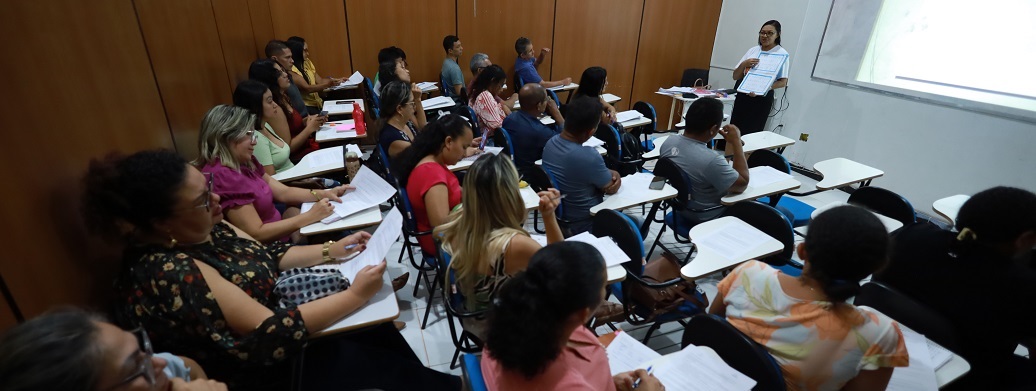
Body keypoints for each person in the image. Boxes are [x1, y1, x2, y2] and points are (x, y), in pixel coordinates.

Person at [81, 149, 459, 391]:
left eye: (209, 186)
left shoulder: (204, 229)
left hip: (284, 327)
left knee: (379, 332)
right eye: (201, 199)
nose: (216, 199)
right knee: (368, 363)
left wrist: (331, 250)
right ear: (162, 222)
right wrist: (354, 295)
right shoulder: (168, 272)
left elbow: (268, 257)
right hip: (264, 370)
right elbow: (269, 330)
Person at [710, 205, 909, 391]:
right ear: (876, 268)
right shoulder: (878, 334)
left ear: (802, 250)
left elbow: (714, 324)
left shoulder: (747, 274)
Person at [874, 187, 1036, 390]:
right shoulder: (1023, 288)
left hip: (882, 348)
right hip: (964, 377)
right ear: (1025, 239)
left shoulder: (909, 236)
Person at [481, 242, 664, 391]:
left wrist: (607, 383)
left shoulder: (506, 330)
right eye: (603, 286)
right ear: (583, 313)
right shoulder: (566, 383)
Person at [435, 154, 563, 326]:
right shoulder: (512, 245)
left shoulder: (460, 214)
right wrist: (549, 217)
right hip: (501, 327)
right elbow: (563, 269)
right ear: (509, 194)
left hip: (475, 313)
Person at [195, 105, 349, 243]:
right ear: (226, 137)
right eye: (248, 135)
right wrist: (309, 217)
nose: (254, 141)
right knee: (343, 237)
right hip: (272, 249)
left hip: (283, 233)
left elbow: (284, 192)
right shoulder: (223, 176)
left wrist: (325, 193)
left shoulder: (244, 161)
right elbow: (256, 233)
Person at [0, 309, 226, 391]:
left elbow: (187, 366)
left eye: (142, 352)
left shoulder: (152, 371)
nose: (160, 363)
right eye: (136, 365)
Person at [658, 97, 748, 221]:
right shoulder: (712, 160)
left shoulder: (669, 141)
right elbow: (742, 185)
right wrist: (736, 142)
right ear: (712, 130)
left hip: (679, 207)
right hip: (707, 215)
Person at [542, 97, 620, 236]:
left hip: (560, 218)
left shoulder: (551, 143)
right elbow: (609, 186)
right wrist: (616, 175)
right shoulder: (589, 156)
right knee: (637, 224)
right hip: (586, 222)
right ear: (591, 131)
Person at [397, 114, 473, 256]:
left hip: (448, 236)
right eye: (464, 147)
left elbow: (453, 193)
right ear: (449, 142)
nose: (464, 153)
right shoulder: (431, 173)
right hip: (443, 244)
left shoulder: (433, 162)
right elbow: (441, 227)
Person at [246, 62, 323, 164]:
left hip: (307, 148)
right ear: (269, 78)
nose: (285, 74)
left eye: (283, 70)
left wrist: (308, 121)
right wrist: (310, 128)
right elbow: (288, 148)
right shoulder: (274, 109)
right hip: (299, 158)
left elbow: (292, 125)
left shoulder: (283, 97)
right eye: (279, 73)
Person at [729, 20, 789, 136]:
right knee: (734, 131)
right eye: (762, 33)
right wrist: (744, 64)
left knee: (751, 134)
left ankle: (746, 155)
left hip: (761, 98)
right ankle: (730, 154)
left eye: (770, 33)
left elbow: (783, 82)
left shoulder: (782, 53)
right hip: (743, 96)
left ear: (778, 34)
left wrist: (763, 89)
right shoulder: (753, 50)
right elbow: (735, 76)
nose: (765, 36)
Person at [501, 83, 563, 170]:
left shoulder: (510, 118)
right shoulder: (539, 131)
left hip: (513, 166)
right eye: (546, 99)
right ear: (539, 105)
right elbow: (564, 142)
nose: (548, 102)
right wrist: (556, 112)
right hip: (531, 173)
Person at [286, 37, 341, 115]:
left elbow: (320, 81)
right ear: (296, 51)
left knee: (339, 114)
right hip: (307, 108)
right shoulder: (291, 69)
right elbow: (307, 88)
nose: (308, 54)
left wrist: (337, 80)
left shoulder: (307, 62)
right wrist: (328, 84)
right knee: (335, 118)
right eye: (305, 51)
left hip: (318, 104)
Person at [468, 64, 517, 139]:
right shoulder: (485, 96)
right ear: (493, 81)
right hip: (492, 139)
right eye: (501, 85)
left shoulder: (477, 90)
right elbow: (497, 127)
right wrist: (510, 116)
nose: (501, 89)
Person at [264, 40, 307, 116]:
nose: (292, 61)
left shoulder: (288, 74)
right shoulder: (277, 82)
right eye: (287, 57)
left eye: (291, 57)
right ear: (274, 59)